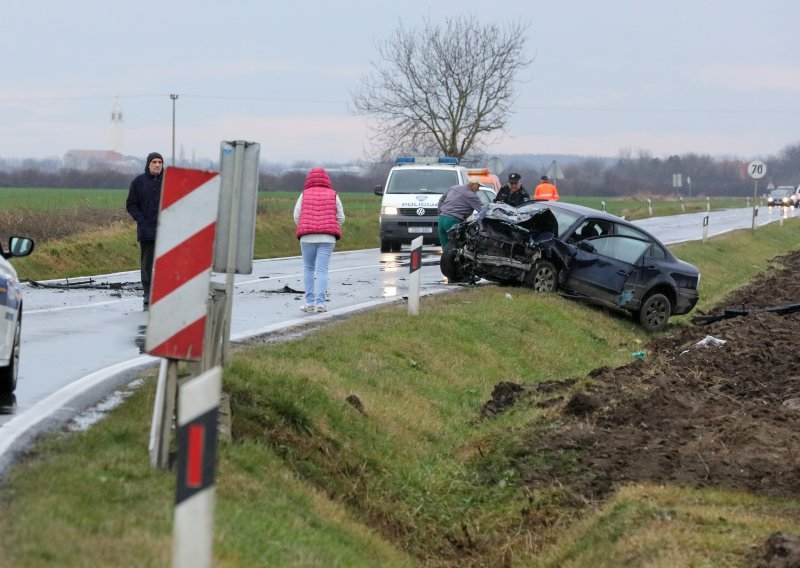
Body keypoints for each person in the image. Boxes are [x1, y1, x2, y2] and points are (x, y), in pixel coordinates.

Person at [294, 167, 345, 313]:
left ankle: (309, 302)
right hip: (328, 238)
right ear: (327, 179)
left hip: (307, 236)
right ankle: (321, 304)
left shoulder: (304, 194)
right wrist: (332, 227)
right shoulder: (334, 194)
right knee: (322, 270)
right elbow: (341, 217)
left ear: (309, 179)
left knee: (308, 269)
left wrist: (304, 227)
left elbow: (296, 215)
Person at [126, 152, 164, 309]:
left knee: (166, 262)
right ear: (148, 164)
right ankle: (148, 292)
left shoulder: (169, 181)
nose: (157, 165)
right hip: (147, 230)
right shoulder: (138, 182)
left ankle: (165, 291)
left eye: (160, 162)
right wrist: (141, 220)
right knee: (147, 263)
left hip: (166, 230)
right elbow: (131, 204)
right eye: (154, 162)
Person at [437, 176, 485, 248]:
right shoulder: (472, 196)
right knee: (457, 246)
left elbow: (441, 200)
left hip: (441, 219)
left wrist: (440, 213)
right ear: (471, 184)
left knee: (445, 245)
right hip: (452, 221)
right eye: (478, 186)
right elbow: (482, 210)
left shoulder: (454, 188)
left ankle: (445, 258)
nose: (478, 189)